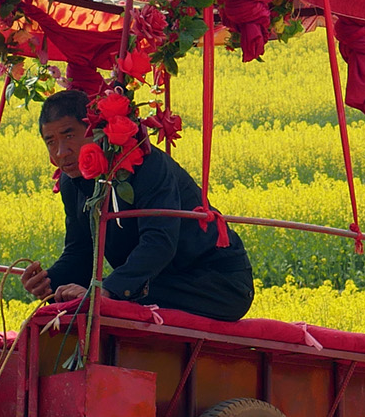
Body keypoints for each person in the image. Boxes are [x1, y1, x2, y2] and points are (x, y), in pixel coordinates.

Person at [18, 88, 255, 322]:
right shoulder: (71, 182)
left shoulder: (148, 165)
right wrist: (50, 283)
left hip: (215, 283)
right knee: (91, 305)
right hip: (153, 284)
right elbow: (81, 250)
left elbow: (159, 243)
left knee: (115, 303)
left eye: (69, 136)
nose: (61, 152)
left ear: (96, 132)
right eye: (50, 141)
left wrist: (107, 291)